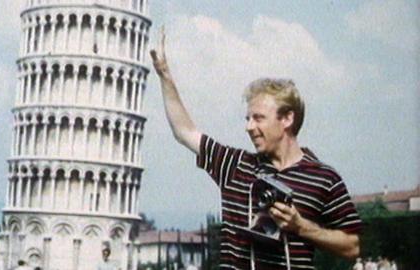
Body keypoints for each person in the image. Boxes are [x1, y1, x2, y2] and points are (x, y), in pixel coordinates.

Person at [150, 27, 362, 269]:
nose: (249, 127)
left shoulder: (325, 178)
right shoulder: (236, 165)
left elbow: (352, 246)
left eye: (258, 118)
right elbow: (184, 131)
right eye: (247, 118)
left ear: (287, 119)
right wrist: (165, 75)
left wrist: (301, 227)